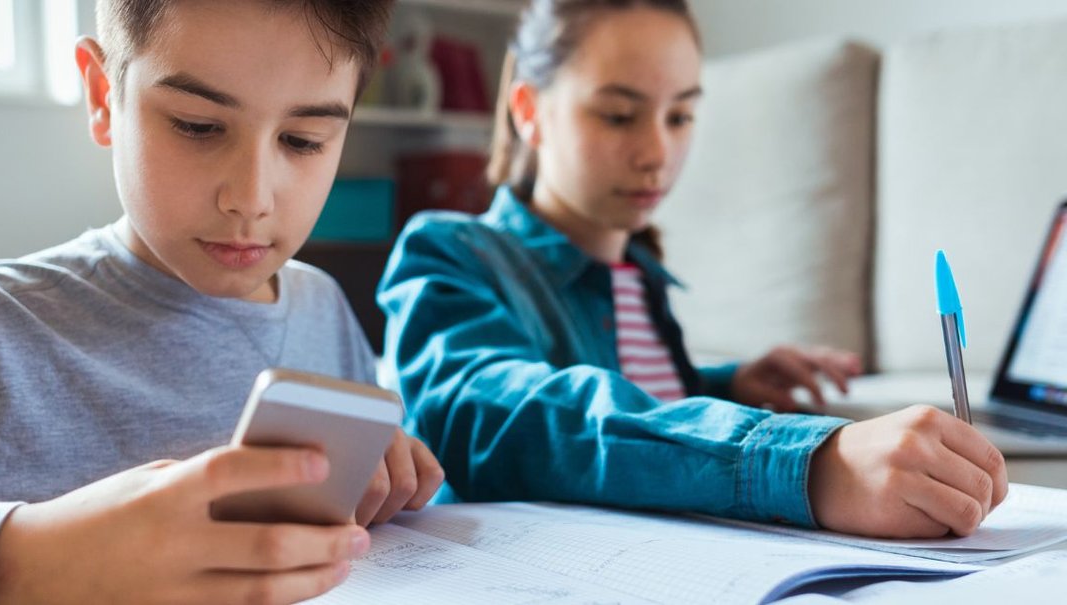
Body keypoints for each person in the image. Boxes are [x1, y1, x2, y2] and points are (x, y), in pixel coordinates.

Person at [0, 1, 444, 603]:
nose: (252, 196)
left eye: (303, 140)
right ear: (103, 96)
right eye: (197, 125)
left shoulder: (321, 306)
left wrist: (388, 473)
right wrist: (25, 558)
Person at [378, 0, 1005, 541]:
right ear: (529, 111)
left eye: (679, 116)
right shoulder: (449, 251)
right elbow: (504, 413)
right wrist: (805, 464)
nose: (657, 153)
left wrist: (726, 385)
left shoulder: (640, 275)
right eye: (619, 115)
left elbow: (629, 401)